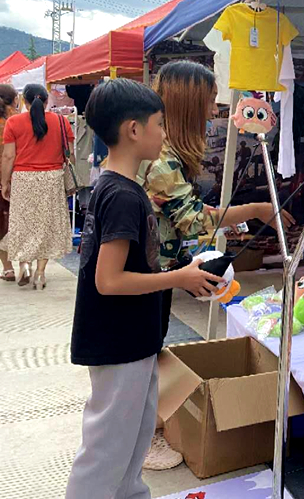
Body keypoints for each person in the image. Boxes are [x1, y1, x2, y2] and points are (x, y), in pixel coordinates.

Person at [65, 79, 218, 498]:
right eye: (159, 124)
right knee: (106, 450)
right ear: (134, 130)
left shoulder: (119, 188)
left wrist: (184, 273)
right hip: (118, 343)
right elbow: (108, 280)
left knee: (131, 444)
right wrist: (179, 278)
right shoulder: (122, 196)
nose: (164, 133)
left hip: (135, 338)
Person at [138, 60, 294, 469]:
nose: (214, 113)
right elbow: (193, 219)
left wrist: (252, 210)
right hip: (146, 277)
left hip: (156, 273)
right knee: (140, 359)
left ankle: (145, 430)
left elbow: (189, 209)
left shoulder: (167, 155)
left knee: (148, 353)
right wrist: (255, 209)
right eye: (209, 103)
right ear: (188, 104)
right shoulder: (163, 162)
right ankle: (142, 438)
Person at [0, 83, 74, 289]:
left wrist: (5, 183)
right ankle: (40, 273)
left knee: (24, 225)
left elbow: (8, 156)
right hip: (52, 179)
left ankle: (24, 266)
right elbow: (70, 155)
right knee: (47, 227)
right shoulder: (61, 122)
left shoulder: (13, 122)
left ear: (24, 101)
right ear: (47, 100)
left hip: (23, 179)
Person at [0, 84, 21, 282]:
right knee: (16, 223)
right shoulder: (17, 122)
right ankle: (24, 266)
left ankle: (8, 268)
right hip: (19, 178)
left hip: (4, 179)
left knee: (2, 224)